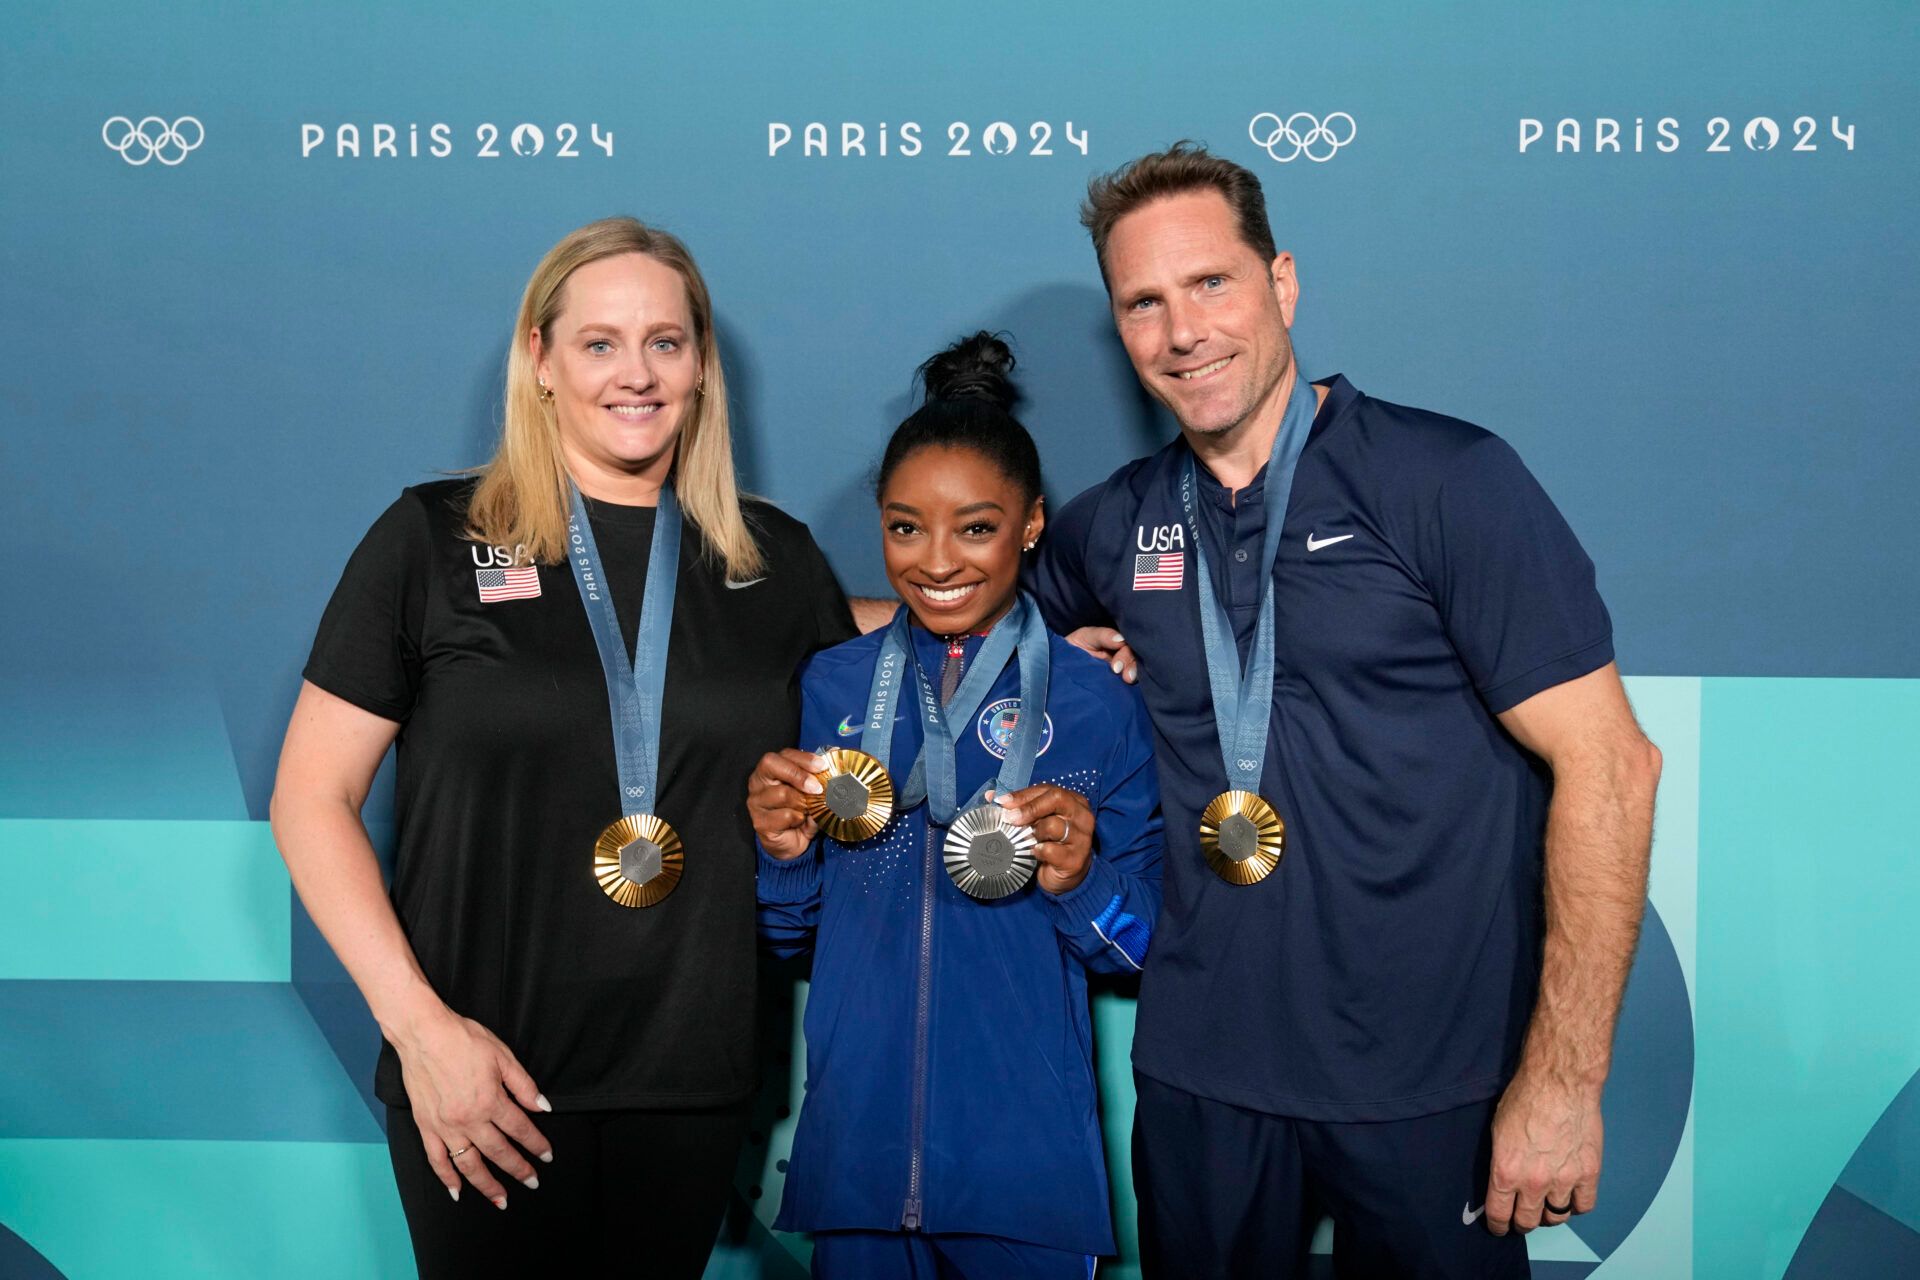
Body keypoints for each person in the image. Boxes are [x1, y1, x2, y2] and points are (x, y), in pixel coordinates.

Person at [1028, 144, 1664, 1277]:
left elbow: (1612, 767)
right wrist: (1067, 661)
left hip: (1435, 1091)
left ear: (1281, 283)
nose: (1183, 332)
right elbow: (974, 630)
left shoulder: (1445, 479)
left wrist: (1564, 1079)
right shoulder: (1110, 526)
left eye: (1212, 284)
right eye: (1145, 303)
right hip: (1201, 1083)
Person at [269, 217, 855, 1278]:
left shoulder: (774, 563)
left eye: (665, 342)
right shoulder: (432, 539)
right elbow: (310, 796)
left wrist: (1057, 640)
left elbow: (897, 653)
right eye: (599, 342)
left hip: (689, 1080)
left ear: (703, 364)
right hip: (479, 1077)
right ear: (540, 360)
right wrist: (421, 1032)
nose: (636, 373)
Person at [747, 333, 1164, 1280]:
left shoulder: (1097, 701)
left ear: (1030, 525)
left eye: (975, 527)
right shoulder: (830, 685)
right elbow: (788, 937)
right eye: (905, 527)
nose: (936, 561)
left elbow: (1147, 947)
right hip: (854, 1162)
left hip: (1028, 1179)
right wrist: (779, 856)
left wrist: (1080, 879)